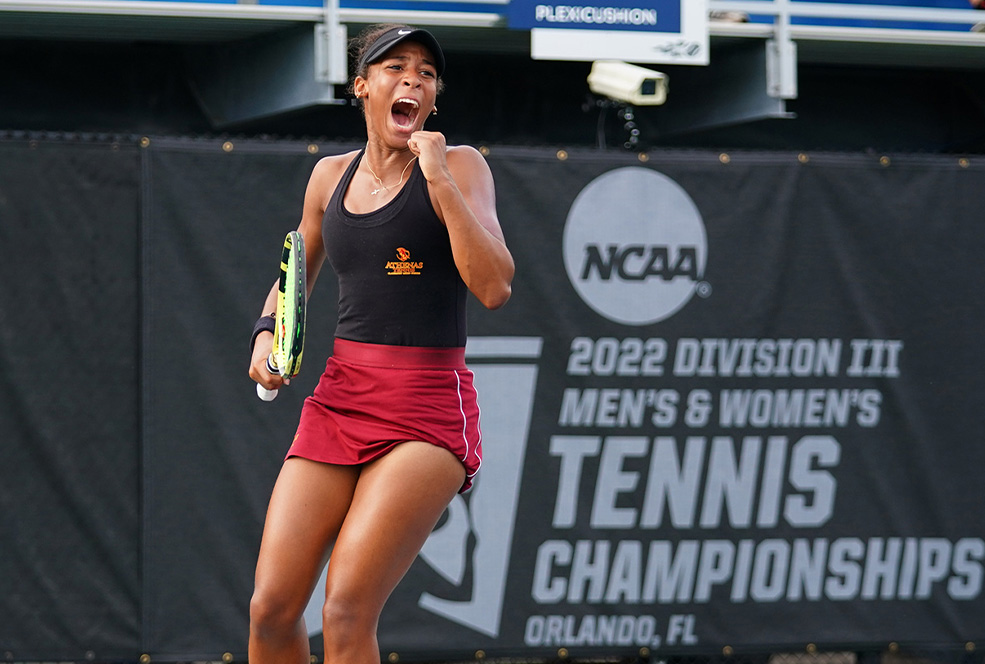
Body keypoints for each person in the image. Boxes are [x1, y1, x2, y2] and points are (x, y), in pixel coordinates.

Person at [246, 23, 514, 664]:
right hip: (340, 400)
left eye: (425, 72)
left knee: (343, 612)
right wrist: (265, 335)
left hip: (427, 408)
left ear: (433, 99)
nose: (413, 80)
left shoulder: (462, 166)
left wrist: (440, 181)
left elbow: (495, 286)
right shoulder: (326, 177)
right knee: (272, 611)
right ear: (362, 86)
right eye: (395, 67)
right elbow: (294, 275)